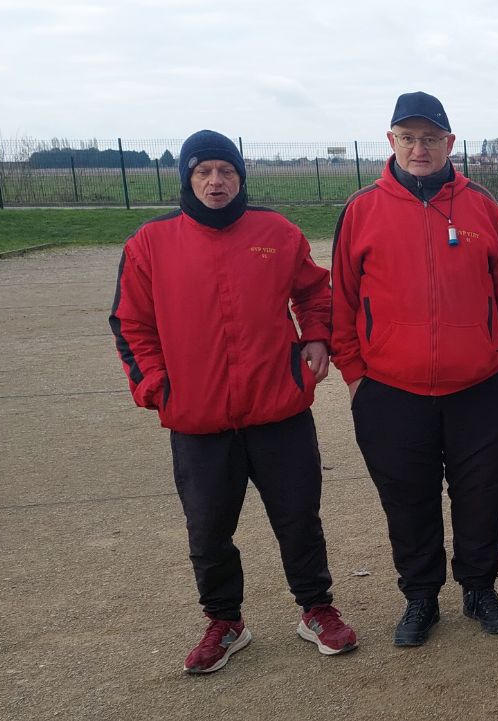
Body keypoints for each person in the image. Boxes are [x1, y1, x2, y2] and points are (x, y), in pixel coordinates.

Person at [111, 129, 356, 674]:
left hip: (278, 411)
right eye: (203, 173)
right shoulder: (151, 243)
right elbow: (131, 324)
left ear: (241, 178)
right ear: (187, 180)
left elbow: (316, 291)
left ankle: (316, 609)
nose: (216, 182)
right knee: (208, 528)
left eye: (226, 172)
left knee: (298, 518)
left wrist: (316, 335)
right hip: (198, 421)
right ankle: (225, 622)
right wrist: (158, 386)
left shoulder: (276, 232)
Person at [330, 92, 498, 647]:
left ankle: (479, 588)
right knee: (408, 499)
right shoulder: (363, 209)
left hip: (481, 388)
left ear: (450, 142)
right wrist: (355, 376)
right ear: (390, 141)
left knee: (481, 495)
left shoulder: (482, 206)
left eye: (431, 138)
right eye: (408, 137)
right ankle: (421, 597)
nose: (420, 148)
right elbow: (342, 301)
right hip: (391, 391)